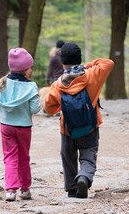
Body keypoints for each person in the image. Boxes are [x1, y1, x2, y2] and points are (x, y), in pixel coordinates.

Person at [44, 42, 114, 198]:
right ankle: (84, 177)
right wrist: (87, 66)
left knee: (68, 155)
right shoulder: (93, 74)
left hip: (67, 128)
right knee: (88, 154)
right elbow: (109, 62)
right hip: (89, 126)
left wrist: (59, 107)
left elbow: (49, 108)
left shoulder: (58, 84)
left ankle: (72, 189)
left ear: (62, 62)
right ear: (79, 58)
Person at [0, 47, 41, 201]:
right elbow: (35, 109)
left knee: (10, 158)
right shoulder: (31, 87)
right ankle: (25, 190)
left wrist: (5, 112)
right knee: (23, 158)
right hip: (24, 127)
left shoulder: (0, 83)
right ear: (26, 70)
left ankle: (10, 191)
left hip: (6, 126)